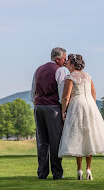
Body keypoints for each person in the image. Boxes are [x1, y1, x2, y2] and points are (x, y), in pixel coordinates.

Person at [58, 54, 104, 180]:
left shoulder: (70, 77)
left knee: (78, 136)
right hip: (89, 104)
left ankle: (79, 170)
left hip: (77, 105)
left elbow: (66, 97)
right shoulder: (88, 76)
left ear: (72, 64)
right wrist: (92, 107)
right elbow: (93, 93)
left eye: (68, 61)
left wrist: (63, 111)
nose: (66, 63)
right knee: (88, 136)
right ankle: (88, 169)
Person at [30, 47, 67, 179]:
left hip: (38, 107)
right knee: (55, 141)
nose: (65, 61)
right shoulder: (59, 71)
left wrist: (37, 104)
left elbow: (33, 91)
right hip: (52, 108)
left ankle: (42, 173)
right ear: (57, 59)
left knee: (42, 141)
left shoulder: (38, 69)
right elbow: (62, 93)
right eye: (64, 59)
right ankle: (57, 173)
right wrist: (64, 110)